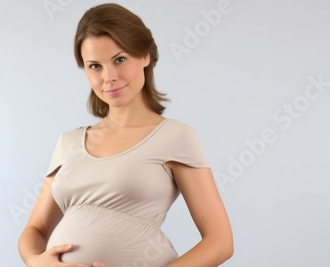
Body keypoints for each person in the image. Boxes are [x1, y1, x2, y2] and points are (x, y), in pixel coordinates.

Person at [18, 3, 233, 266]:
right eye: (94, 66)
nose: (108, 77)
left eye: (119, 60)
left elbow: (220, 242)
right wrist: (36, 261)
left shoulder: (176, 137)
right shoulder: (69, 143)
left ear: (145, 56)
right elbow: (35, 229)